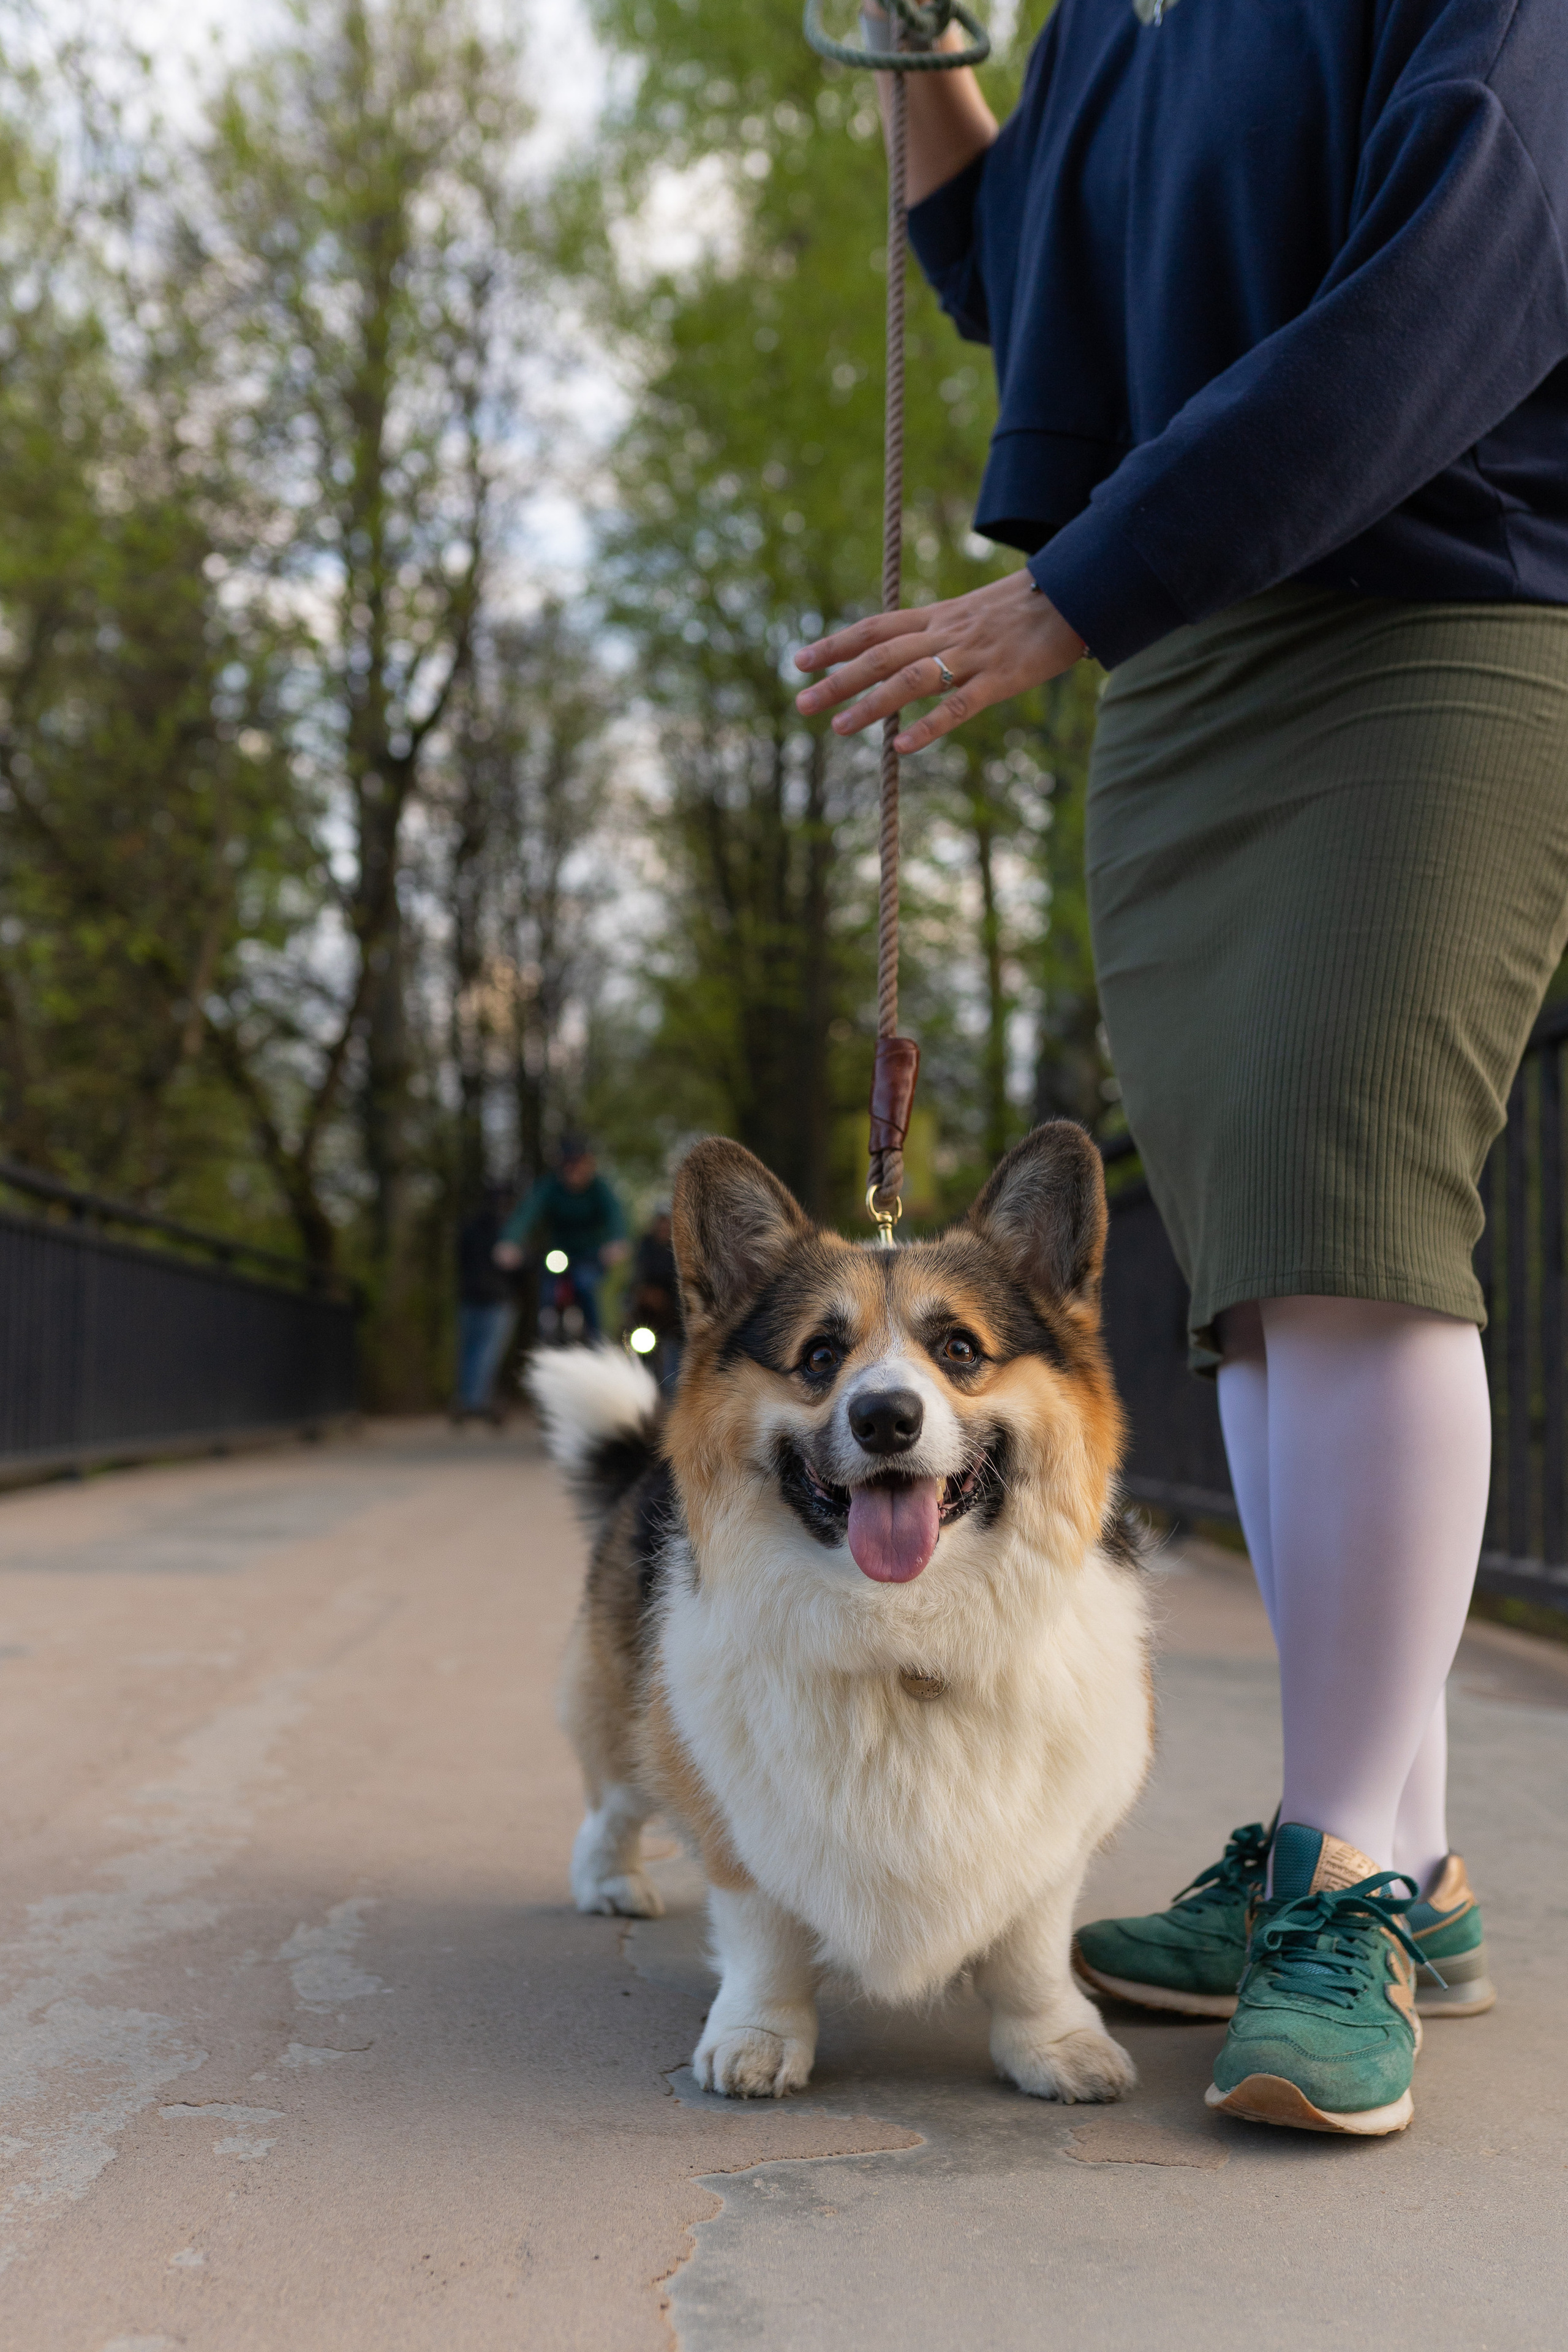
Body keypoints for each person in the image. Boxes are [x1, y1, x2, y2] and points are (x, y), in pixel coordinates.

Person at [794, 0, 1568, 2134]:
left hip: (1431, 620)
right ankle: (1389, 1850)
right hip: (1182, 661)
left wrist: (1064, 597)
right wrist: (923, 50)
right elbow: (1005, 271)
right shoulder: (1125, 17)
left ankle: (1348, 1883)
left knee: (1365, 1234)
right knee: (1257, 1270)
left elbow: (1454, 289)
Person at [494, 1136, 628, 1341]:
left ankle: (597, 1341)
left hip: (590, 1255)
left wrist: (617, 1241)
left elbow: (615, 1216)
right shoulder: (550, 1187)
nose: (574, 1169)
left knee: (585, 1285)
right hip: (558, 1254)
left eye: (578, 1163)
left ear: (588, 1163)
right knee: (547, 1291)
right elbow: (527, 1213)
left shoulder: (600, 1189)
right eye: (568, 1164)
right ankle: (545, 1335)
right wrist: (510, 1242)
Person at [451, 1185, 519, 1425]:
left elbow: (460, 1259)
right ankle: (476, 1403)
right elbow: (517, 1264)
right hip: (497, 1299)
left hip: (469, 1297)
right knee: (487, 1352)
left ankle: (467, 1399)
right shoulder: (508, 1230)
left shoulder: (469, 1227)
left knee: (469, 1350)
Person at [625, 1205, 684, 1391]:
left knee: (675, 1357)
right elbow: (635, 1278)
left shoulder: (681, 1249)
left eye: (667, 1223)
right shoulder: (645, 1246)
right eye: (660, 1222)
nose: (663, 1227)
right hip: (647, 1316)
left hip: (674, 1316)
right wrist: (642, 1294)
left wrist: (668, 1300)